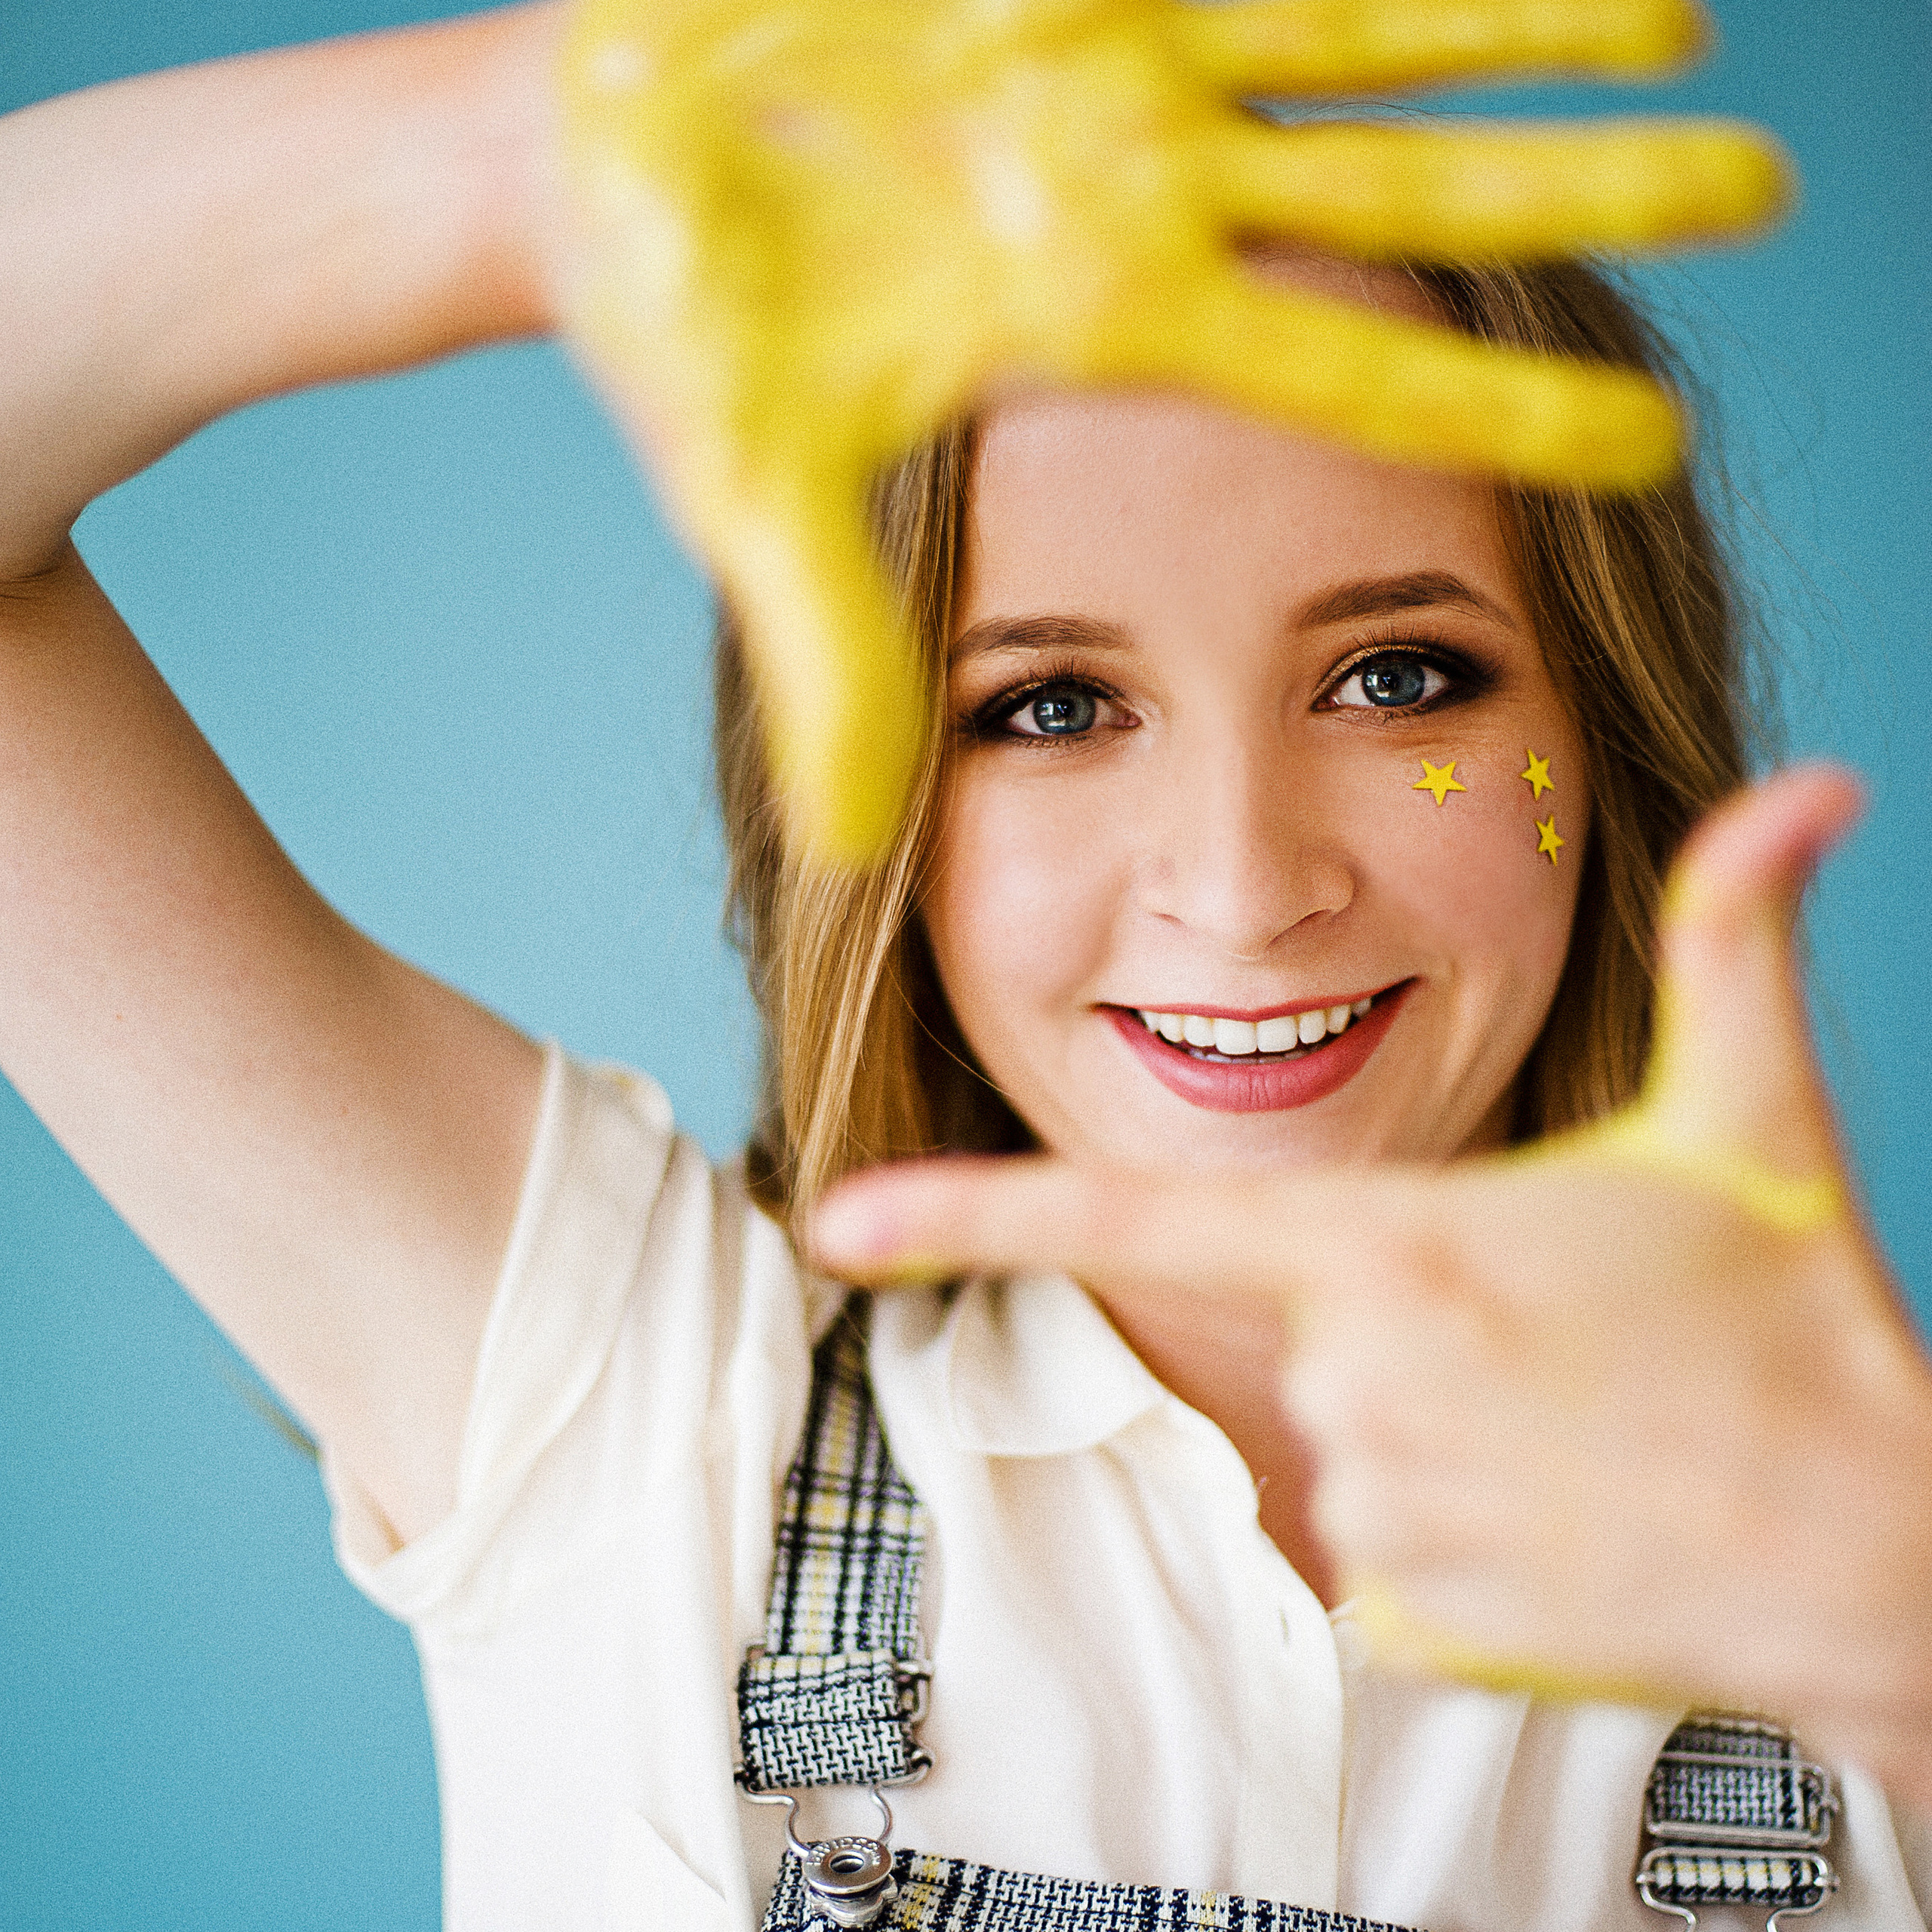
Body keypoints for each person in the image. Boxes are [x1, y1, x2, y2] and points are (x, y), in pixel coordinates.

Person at [1, 5, 1927, 1932]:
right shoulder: (622, 1400)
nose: (1241, 888)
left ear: (1602, 733)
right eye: (1052, 703)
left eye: (1394, 676)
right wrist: (518, 146)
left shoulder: (1871, 1563)